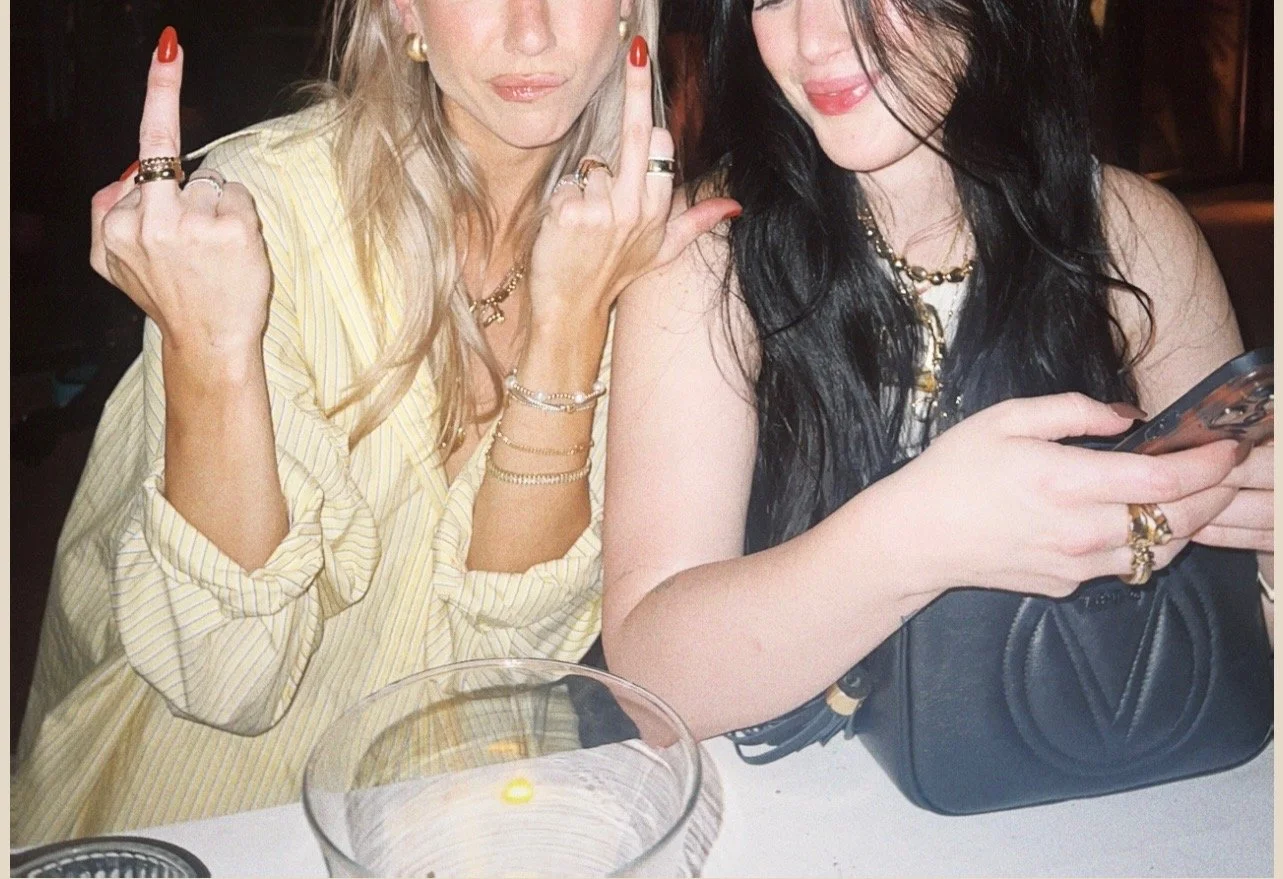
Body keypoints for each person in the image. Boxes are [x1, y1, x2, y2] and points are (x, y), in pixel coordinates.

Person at [14, 0, 737, 844]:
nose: (530, 29)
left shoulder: (641, 237)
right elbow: (223, 682)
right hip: (213, 824)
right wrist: (209, 343)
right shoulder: (256, 212)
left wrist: (569, 321)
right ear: (403, 12)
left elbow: (507, 647)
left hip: (467, 811)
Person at [602, 0, 1273, 740]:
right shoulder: (709, 254)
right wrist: (920, 534)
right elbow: (648, 683)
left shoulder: (1134, 233)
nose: (815, 40)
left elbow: (1236, 634)